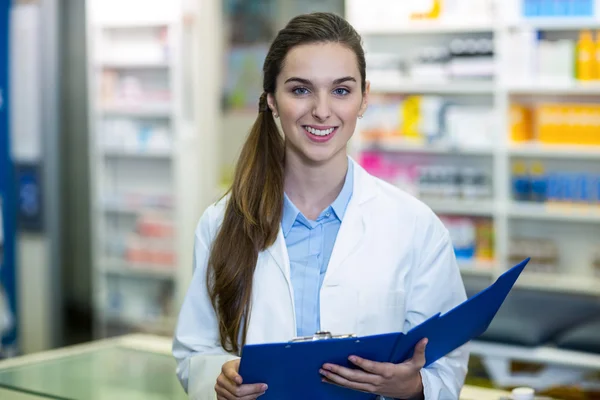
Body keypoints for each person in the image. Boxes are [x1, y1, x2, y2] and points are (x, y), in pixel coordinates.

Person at [173, 12, 469, 400]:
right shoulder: (222, 222)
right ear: (271, 101)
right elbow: (194, 351)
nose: (322, 110)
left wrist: (415, 387)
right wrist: (220, 379)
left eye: (341, 91)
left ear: (364, 98)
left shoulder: (415, 225)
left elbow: (446, 361)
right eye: (300, 90)